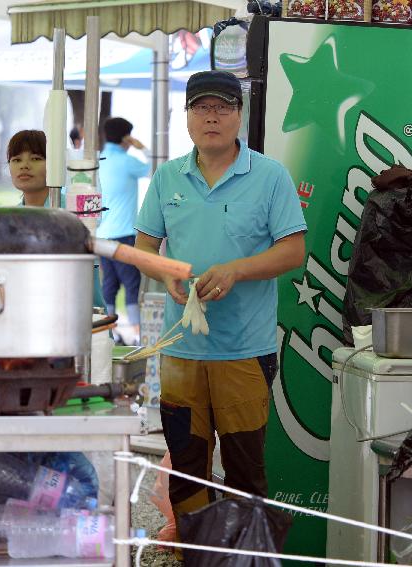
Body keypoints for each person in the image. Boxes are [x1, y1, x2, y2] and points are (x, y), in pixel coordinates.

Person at [133, 71, 307, 529]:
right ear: (187, 116)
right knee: (187, 473)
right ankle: (196, 557)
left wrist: (236, 270)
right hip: (181, 353)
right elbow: (144, 247)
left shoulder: (269, 176)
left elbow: (293, 250)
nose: (212, 117)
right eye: (201, 108)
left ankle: (248, 558)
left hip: (244, 352)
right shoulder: (168, 176)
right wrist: (165, 272)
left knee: (245, 471)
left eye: (223, 107)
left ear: (239, 115)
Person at [97, 117, 151, 343]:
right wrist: (143, 148)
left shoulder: (99, 160)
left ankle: (108, 331)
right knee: (131, 283)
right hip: (123, 234)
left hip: (101, 235)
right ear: (126, 137)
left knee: (108, 285)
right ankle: (137, 333)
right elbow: (154, 169)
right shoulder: (128, 162)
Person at [7, 130, 50, 207]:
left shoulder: (73, 211)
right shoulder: (12, 216)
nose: (24, 166)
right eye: (17, 160)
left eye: (35, 159)